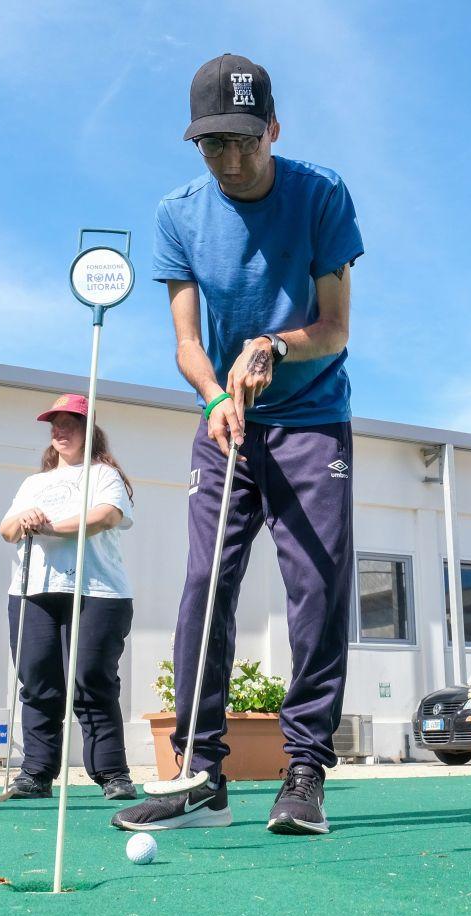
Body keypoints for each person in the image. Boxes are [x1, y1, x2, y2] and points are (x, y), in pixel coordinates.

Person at [113, 53, 363, 836]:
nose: (230, 159)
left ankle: (304, 770)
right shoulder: (178, 214)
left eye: (244, 142)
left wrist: (272, 347)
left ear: (273, 130)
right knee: (204, 588)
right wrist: (217, 394)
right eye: (212, 144)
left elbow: (334, 328)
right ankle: (201, 775)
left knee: (315, 591)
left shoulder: (321, 194)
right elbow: (187, 346)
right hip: (227, 425)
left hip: (312, 418)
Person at [0, 394, 137, 800]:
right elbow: (8, 529)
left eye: (70, 423)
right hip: (33, 592)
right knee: (39, 683)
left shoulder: (105, 475)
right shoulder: (33, 483)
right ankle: (36, 773)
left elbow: (106, 516)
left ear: (89, 430)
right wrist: (23, 520)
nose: (60, 431)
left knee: (91, 680)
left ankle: (112, 773)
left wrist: (49, 526)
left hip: (97, 591)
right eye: (54, 424)